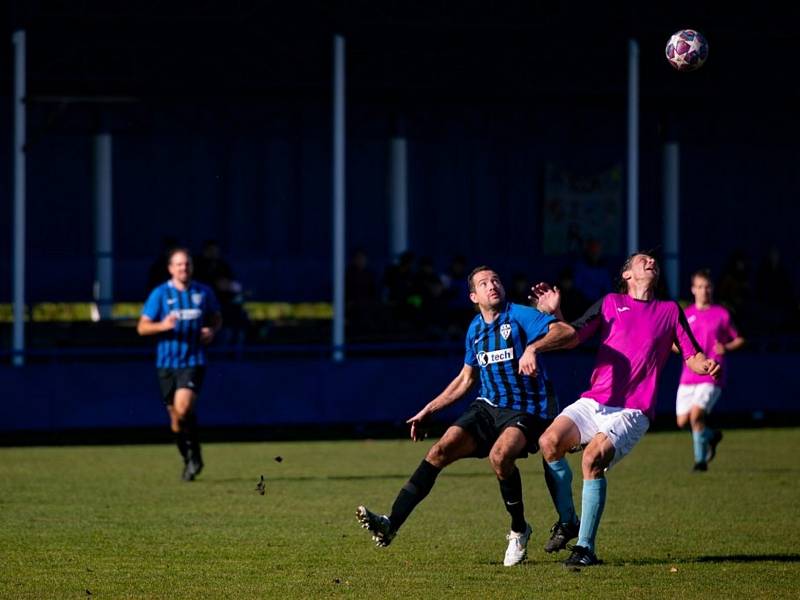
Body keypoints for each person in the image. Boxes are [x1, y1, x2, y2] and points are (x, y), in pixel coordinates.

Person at [356, 266, 576, 566]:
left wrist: (533, 349)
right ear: (474, 296)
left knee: (500, 456)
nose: (492, 285)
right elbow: (465, 379)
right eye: (484, 283)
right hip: (487, 407)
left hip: (526, 408)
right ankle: (391, 523)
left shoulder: (520, 315)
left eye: (496, 280)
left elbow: (566, 332)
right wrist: (428, 410)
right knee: (439, 450)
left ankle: (518, 529)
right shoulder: (475, 329)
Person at [530, 251, 720, 568]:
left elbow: (692, 355)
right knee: (548, 443)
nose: (651, 262)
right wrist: (554, 314)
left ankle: (585, 548)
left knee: (592, 459)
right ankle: (567, 521)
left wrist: (706, 365)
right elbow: (573, 336)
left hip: (633, 409)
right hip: (594, 400)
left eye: (653, 261)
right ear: (627, 274)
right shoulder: (608, 303)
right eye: (642, 260)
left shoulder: (670, 310)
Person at [137, 248, 222, 481]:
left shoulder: (203, 292)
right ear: (170, 268)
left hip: (193, 360)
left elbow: (216, 317)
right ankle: (190, 457)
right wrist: (162, 326)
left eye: (187, 264)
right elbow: (142, 327)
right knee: (175, 419)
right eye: (179, 265)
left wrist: (211, 331)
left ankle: (194, 454)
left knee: (183, 408)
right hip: (166, 363)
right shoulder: (160, 294)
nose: (183, 268)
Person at [676, 269, 745, 471]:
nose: (703, 291)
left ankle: (700, 462)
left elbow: (739, 338)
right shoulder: (686, 315)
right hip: (688, 375)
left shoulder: (721, 314)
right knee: (682, 421)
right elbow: (678, 342)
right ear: (692, 289)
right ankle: (711, 436)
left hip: (712, 373)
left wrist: (727, 347)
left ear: (712, 289)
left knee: (696, 416)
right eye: (699, 287)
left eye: (707, 287)